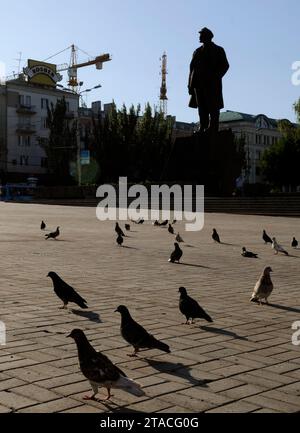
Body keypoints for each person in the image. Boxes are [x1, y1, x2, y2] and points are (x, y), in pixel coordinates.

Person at [188, 27, 229, 133]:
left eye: (201, 35)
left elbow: (225, 65)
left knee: (213, 106)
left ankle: (213, 127)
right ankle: (202, 126)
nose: (199, 37)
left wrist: (215, 77)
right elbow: (191, 68)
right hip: (198, 84)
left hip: (212, 84)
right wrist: (190, 85)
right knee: (201, 107)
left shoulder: (218, 50)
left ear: (207, 36)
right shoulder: (197, 51)